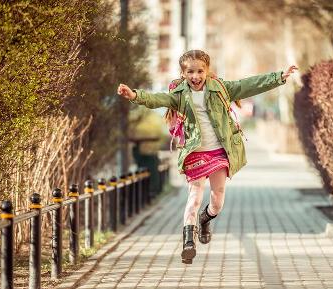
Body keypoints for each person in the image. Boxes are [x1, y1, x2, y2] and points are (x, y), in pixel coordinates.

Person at [117, 49, 298, 264]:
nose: (195, 76)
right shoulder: (179, 95)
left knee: (218, 200)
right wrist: (135, 95)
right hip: (195, 152)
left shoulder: (221, 88)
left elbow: (248, 85)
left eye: (200, 71)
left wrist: (278, 78)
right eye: (190, 72)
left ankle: (206, 218)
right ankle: (188, 243)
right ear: (183, 73)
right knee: (194, 196)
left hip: (219, 151)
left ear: (207, 70)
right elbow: (157, 99)